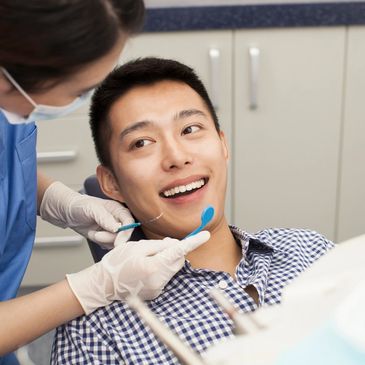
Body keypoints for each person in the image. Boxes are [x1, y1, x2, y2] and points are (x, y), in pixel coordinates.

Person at [51, 57, 334, 364]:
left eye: (190, 129)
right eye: (142, 142)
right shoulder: (95, 332)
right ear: (111, 182)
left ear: (222, 145)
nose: (176, 156)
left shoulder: (310, 250)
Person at [0, 3, 209, 363]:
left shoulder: (302, 250)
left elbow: (8, 162)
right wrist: (93, 288)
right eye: (81, 90)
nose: (177, 157)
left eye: (190, 129)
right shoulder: (92, 338)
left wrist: (58, 200)